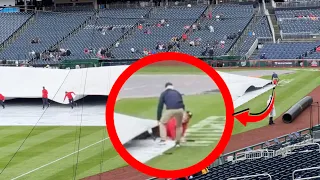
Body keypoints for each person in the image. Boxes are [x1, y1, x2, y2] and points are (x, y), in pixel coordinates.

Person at [157, 82, 185, 147]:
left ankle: (163, 140)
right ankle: (178, 142)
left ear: (166, 87)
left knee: (162, 123)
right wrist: (183, 112)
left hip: (170, 109)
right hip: (180, 109)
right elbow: (182, 102)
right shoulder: (177, 92)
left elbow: (160, 106)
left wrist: (158, 118)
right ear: (172, 86)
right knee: (179, 125)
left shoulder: (164, 93)